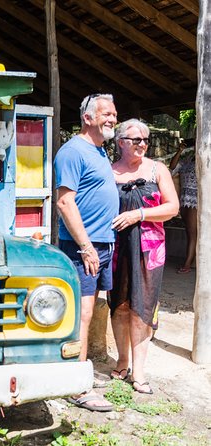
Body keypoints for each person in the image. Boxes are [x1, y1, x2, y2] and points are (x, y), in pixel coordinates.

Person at [54, 93, 119, 412]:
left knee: (91, 310)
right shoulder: (72, 151)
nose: (113, 119)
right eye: (107, 113)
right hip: (84, 246)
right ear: (88, 117)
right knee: (81, 313)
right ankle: (76, 386)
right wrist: (86, 246)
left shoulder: (100, 151)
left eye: (114, 114)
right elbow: (65, 202)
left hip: (101, 243)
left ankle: (77, 372)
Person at [110, 119, 179, 395]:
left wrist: (139, 214)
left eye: (145, 140)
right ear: (120, 142)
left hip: (150, 249)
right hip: (117, 248)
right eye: (136, 139)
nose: (142, 144)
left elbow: (172, 207)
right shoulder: (108, 171)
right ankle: (122, 360)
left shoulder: (157, 170)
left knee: (143, 306)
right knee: (119, 303)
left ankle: (139, 371)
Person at [169, 139, 197, 274]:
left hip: (195, 200)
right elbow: (173, 167)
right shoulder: (188, 159)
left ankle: (187, 264)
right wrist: (180, 150)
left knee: (193, 233)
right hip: (184, 199)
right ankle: (190, 260)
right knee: (189, 232)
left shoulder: (206, 159)